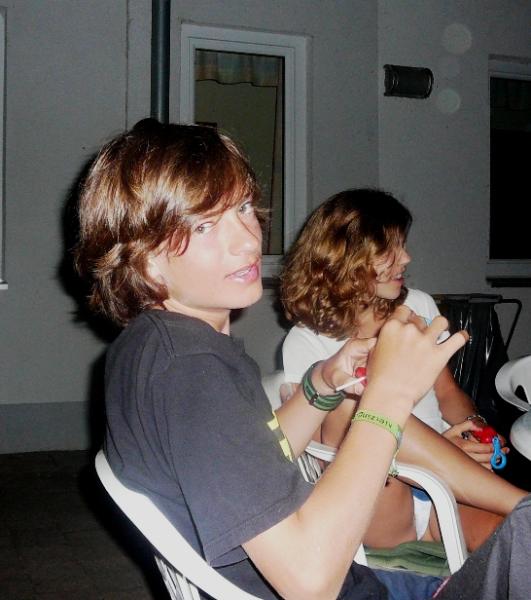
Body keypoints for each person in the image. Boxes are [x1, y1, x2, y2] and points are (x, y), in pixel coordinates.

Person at [75, 120, 530, 600]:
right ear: (145, 258)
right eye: (205, 225)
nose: (249, 240)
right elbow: (310, 582)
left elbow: (250, 457)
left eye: (243, 208)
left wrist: (321, 386)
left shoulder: (154, 346)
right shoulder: (191, 371)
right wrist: (389, 395)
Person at [280, 188, 524, 551]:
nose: (406, 258)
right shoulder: (305, 342)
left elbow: (446, 393)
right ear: (348, 257)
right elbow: (321, 452)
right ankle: (522, 503)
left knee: (516, 542)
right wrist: (442, 450)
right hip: (381, 496)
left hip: (446, 486)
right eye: (391, 249)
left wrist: (476, 431)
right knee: (353, 403)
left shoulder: (417, 307)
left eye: (403, 245)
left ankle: (518, 510)